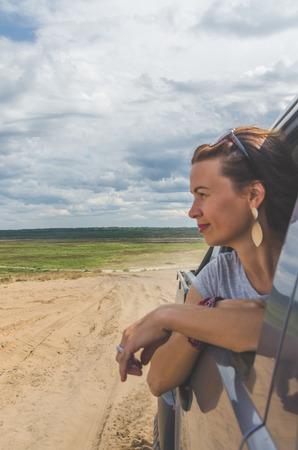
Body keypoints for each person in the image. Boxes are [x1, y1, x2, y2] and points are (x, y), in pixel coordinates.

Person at [116, 126, 298, 397]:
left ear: (253, 196)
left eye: (202, 194)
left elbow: (284, 331)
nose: (192, 212)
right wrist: (209, 310)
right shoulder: (216, 277)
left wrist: (167, 315)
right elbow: (158, 380)